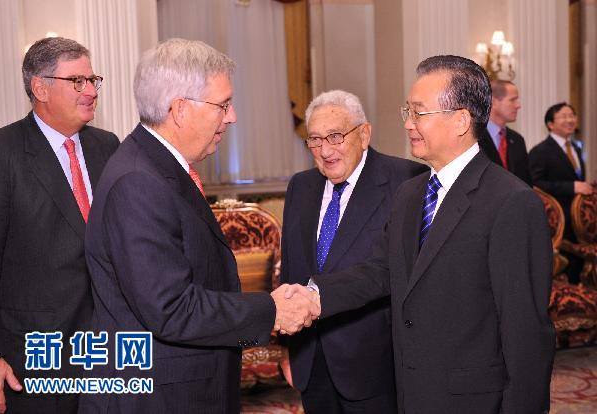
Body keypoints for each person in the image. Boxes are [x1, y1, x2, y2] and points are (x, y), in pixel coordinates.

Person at [286, 55, 555, 413]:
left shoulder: (511, 202)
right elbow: (380, 271)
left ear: (460, 120)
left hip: (473, 401)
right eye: (407, 112)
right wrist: (314, 296)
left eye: (419, 113)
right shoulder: (411, 194)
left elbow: (526, 335)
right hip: (411, 393)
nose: (408, 124)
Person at [79, 38, 319, 413]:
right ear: (180, 109)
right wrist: (271, 310)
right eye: (223, 104)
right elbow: (171, 307)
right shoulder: (139, 181)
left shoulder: (160, 166)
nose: (232, 116)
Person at [280, 90, 427, 413]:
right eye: (315, 139)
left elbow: (407, 277)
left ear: (364, 134)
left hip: (374, 365)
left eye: (335, 136)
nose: (325, 150)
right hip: (310, 359)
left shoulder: (407, 181)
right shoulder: (300, 186)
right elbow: (291, 269)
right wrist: (287, 349)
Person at [0, 37, 120, 414]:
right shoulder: (4, 152)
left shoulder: (108, 146)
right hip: (32, 362)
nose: (91, 91)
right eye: (77, 81)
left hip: (106, 354)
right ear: (40, 88)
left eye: (92, 80)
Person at [529, 102, 594, 283]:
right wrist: (571, 187)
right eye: (564, 116)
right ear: (550, 124)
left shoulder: (576, 148)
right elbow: (535, 184)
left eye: (572, 115)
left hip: (579, 222)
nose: (570, 120)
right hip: (558, 221)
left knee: (579, 268)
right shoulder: (540, 151)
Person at [478, 80, 532, 186]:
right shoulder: (473, 137)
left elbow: (526, 183)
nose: (518, 105)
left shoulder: (517, 140)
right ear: (493, 102)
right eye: (513, 100)